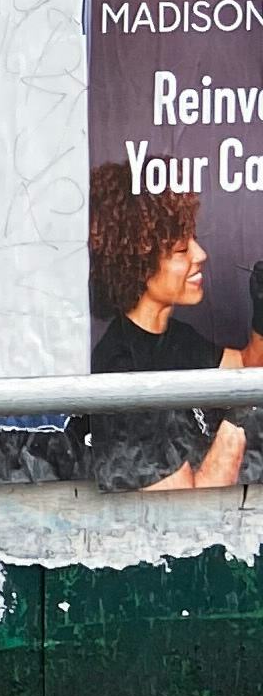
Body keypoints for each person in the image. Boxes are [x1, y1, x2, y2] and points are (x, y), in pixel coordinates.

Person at [81, 169, 256, 490]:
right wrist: (242, 413)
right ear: (138, 262)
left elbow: (247, 367)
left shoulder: (177, 338)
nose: (200, 255)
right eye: (180, 249)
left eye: (194, 240)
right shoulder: (120, 369)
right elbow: (182, 505)